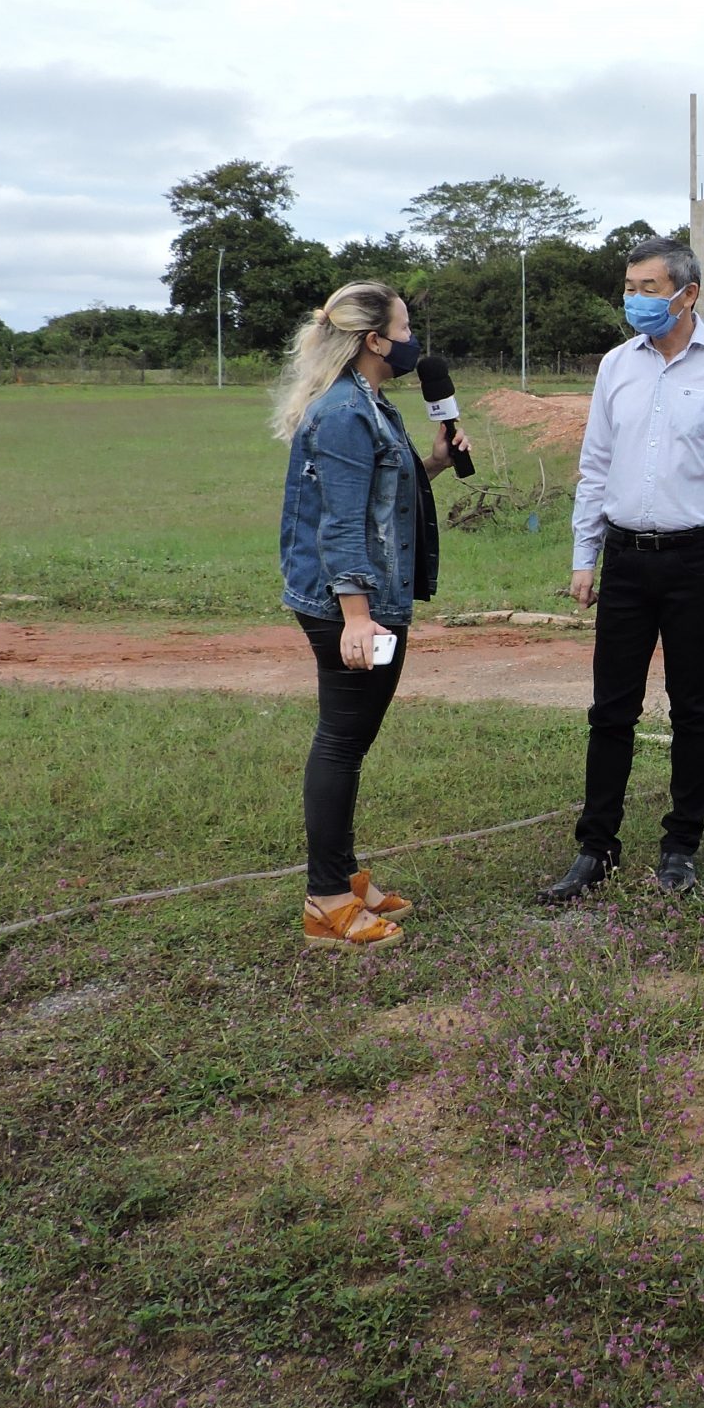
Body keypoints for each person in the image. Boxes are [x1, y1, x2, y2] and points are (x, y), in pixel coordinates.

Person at [545, 237, 704, 903]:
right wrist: (584, 555)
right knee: (611, 709)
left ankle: (680, 847)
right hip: (624, 558)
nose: (636, 299)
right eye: (630, 286)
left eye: (649, 287)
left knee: (692, 707)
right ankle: (597, 848)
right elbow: (594, 467)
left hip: (694, 559)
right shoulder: (617, 366)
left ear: (687, 293)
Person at [273, 279, 470, 949]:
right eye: (405, 328)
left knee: (349, 742)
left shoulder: (368, 404)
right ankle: (326, 901)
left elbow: (382, 499)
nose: (415, 341)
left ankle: (344, 874)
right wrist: (357, 618)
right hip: (347, 604)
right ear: (373, 340)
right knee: (340, 740)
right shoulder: (345, 415)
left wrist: (436, 463)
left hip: (364, 596)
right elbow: (339, 528)